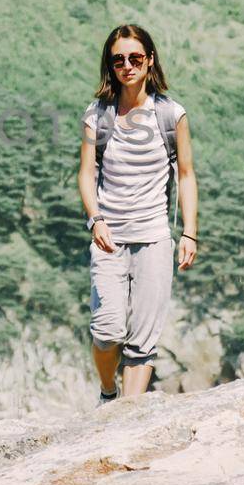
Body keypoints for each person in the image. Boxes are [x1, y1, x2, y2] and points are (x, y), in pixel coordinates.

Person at [77, 23, 198, 404]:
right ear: (110, 67)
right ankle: (107, 391)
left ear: (149, 60)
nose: (127, 66)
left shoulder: (171, 115)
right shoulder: (98, 115)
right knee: (107, 331)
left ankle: (123, 421)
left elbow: (187, 175)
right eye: (118, 61)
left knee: (142, 341)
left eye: (135, 58)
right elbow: (86, 174)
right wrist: (95, 218)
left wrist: (189, 233)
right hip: (109, 238)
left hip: (154, 239)